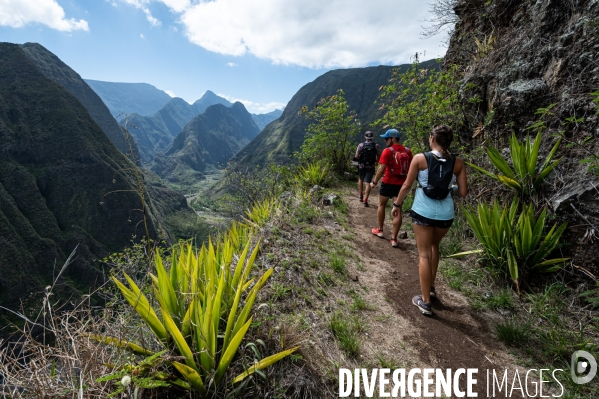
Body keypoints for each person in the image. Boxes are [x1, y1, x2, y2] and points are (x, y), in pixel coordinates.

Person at [391, 125, 468, 316]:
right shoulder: (458, 163)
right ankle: (431, 286)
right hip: (445, 214)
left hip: (423, 212)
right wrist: (450, 189)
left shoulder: (420, 158)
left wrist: (397, 204)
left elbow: (408, 185)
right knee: (435, 247)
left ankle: (425, 302)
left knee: (424, 254)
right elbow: (463, 192)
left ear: (432, 138)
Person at [369, 128, 413, 247]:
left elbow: (381, 169)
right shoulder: (408, 151)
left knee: (381, 205)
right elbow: (411, 169)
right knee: (397, 210)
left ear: (393, 138)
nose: (385, 140)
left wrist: (374, 181)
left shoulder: (387, 151)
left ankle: (380, 230)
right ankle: (393, 239)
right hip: (401, 185)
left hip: (388, 182)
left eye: (387, 138)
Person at [354, 131, 380, 207]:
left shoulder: (361, 145)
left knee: (361, 179)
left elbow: (356, 156)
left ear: (365, 137)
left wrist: (359, 159)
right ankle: (365, 200)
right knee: (368, 182)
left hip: (362, 165)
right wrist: (376, 162)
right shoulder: (376, 146)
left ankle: (361, 195)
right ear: (372, 137)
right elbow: (379, 155)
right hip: (371, 166)